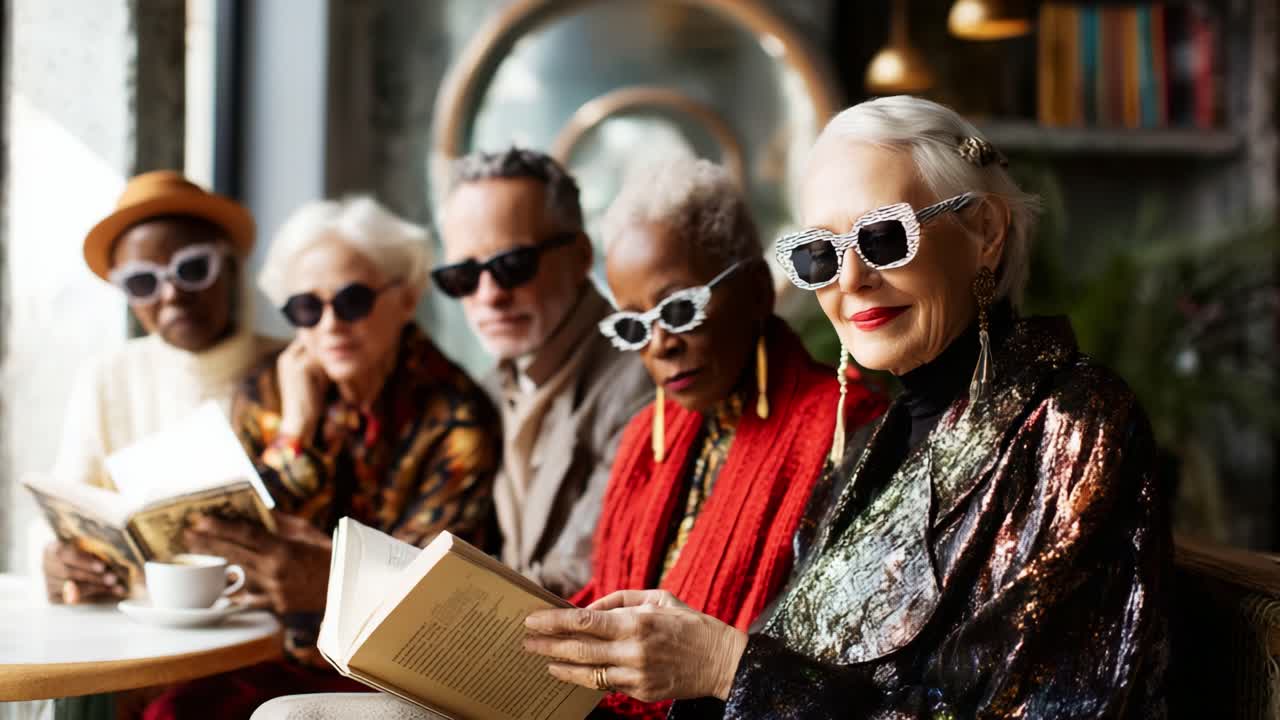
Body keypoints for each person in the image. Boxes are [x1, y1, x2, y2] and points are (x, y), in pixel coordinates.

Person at [523, 97, 1170, 718]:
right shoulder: (870, 445)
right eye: (820, 254)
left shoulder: (1076, 421)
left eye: (884, 237)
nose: (850, 279)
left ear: (985, 232)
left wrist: (725, 666)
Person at [145, 196, 502, 719]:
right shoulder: (268, 391)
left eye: (352, 300)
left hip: (390, 676)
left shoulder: (456, 417)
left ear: (405, 300)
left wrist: (318, 574)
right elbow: (224, 535)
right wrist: (294, 435)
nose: (329, 323)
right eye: (306, 308)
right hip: (269, 648)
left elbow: (427, 601)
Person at [563, 156, 884, 719]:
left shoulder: (847, 429)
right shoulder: (646, 436)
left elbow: (829, 669)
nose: (659, 344)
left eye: (681, 309)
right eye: (634, 326)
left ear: (759, 290)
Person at [42, 170, 279, 605]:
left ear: (227, 266)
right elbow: (68, 506)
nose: (170, 295)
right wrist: (63, 563)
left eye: (191, 269)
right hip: (141, 629)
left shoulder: (292, 366)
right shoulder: (106, 376)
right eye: (142, 282)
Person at [437, 148, 650, 597]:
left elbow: (579, 572)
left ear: (580, 256)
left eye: (512, 265)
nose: (488, 295)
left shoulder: (643, 379)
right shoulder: (488, 390)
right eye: (462, 275)